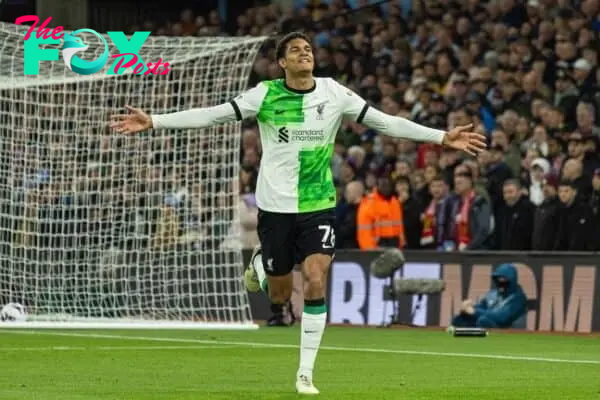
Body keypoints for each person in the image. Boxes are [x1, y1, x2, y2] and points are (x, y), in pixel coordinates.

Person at [110, 31, 487, 395]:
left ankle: (305, 373)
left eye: (307, 48)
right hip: (275, 207)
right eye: (295, 50)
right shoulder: (266, 94)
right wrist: (156, 121)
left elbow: (386, 122)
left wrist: (441, 136)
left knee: (315, 277)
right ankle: (263, 265)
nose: (304, 53)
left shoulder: (333, 92)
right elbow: (214, 115)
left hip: (317, 203)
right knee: (279, 294)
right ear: (281, 62)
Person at [450, 263, 527, 329]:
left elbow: (501, 318)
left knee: (484, 321)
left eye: (503, 280)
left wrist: (474, 311)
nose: (500, 283)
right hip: (493, 324)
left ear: (512, 280)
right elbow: (482, 306)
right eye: (498, 279)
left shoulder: (518, 298)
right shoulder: (493, 294)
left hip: (510, 330)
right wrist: (467, 308)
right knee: (459, 319)